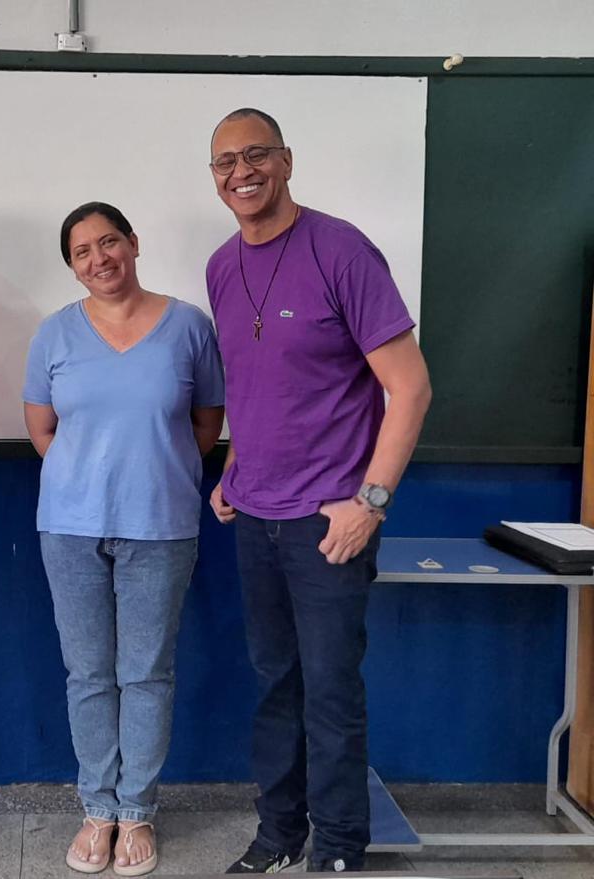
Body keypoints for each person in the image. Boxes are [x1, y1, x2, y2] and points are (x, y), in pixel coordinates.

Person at [204, 109, 432, 874]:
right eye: (226, 161)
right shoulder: (218, 265)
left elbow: (411, 388)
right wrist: (235, 468)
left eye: (256, 154)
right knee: (276, 687)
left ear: (287, 160)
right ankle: (279, 833)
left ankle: (338, 849)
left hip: (328, 521)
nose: (242, 171)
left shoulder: (341, 249)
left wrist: (370, 501)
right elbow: (257, 381)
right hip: (255, 516)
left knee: (331, 695)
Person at [23, 202, 225, 877]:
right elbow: (42, 429)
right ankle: (96, 810)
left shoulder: (189, 327)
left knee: (145, 673)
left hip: (161, 525)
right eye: (81, 251)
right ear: (72, 265)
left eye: (108, 241)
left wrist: (151, 475)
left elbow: (205, 425)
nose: (98, 258)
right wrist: (89, 480)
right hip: (71, 527)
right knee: (88, 673)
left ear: (133, 243)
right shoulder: (54, 334)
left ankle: (136, 809)